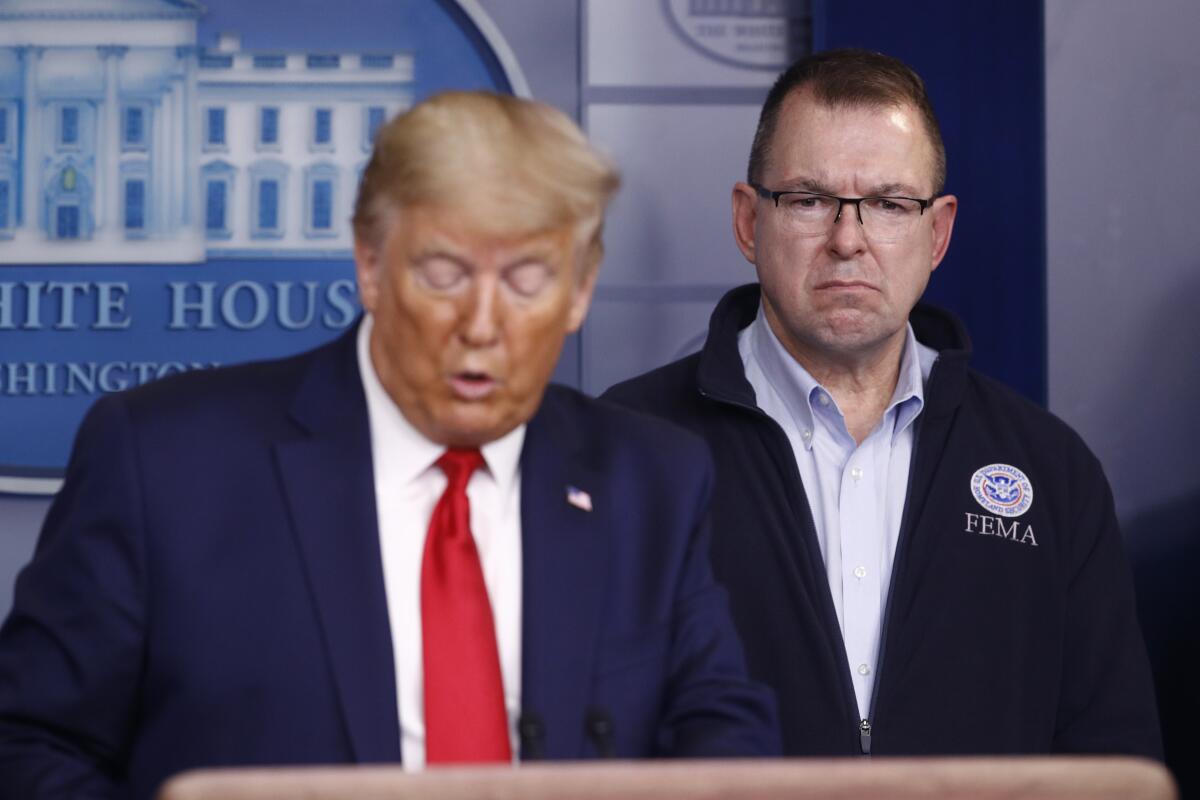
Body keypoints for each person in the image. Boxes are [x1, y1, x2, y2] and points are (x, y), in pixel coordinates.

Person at [0, 91, 778, 799]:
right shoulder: (165, 464)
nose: (481, 323)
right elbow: (31, 745)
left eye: (527, 280)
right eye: (443, 275)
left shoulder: (651, 480)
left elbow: (723, 744)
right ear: (370, 265)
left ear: (580, 289)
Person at [604, 49, 1161, 758]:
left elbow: (1113, 764)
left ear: (938, 233)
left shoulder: (1050, 471)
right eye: (808, 199)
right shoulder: (627, 447)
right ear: (749, 222)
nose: (848, 240)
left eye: (890, 205)